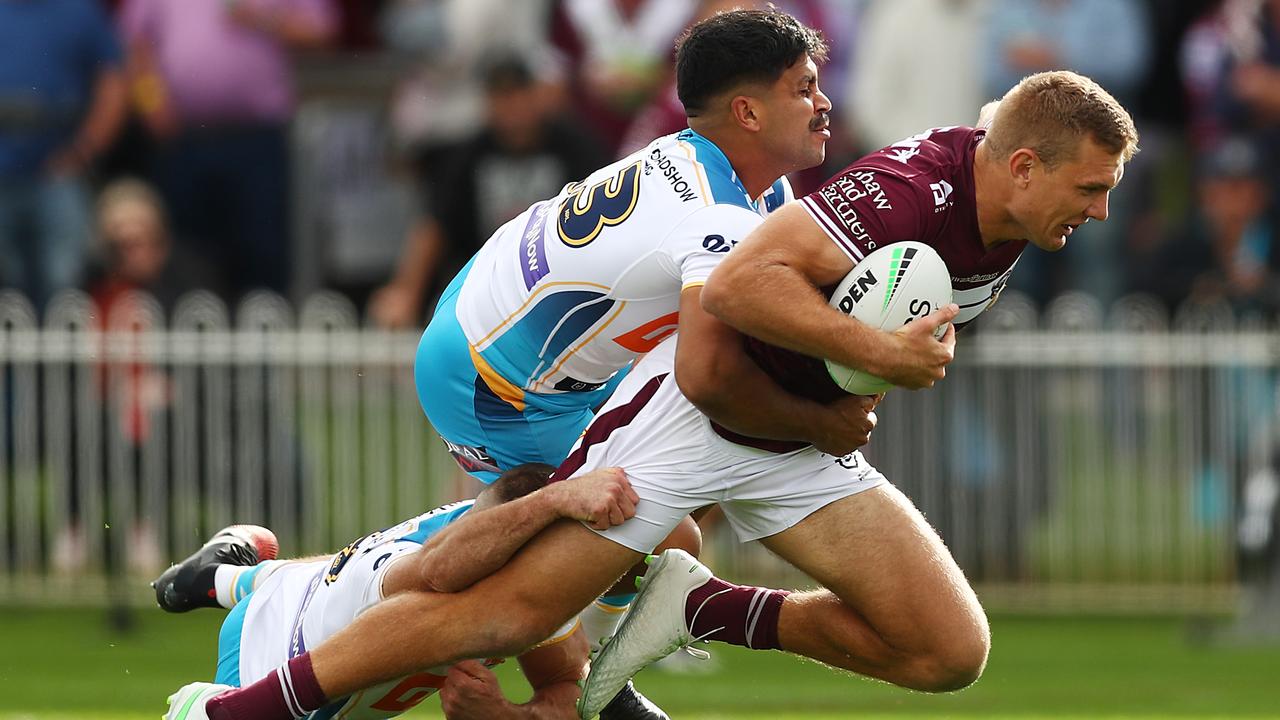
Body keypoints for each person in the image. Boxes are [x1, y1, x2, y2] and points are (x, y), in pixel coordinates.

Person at [160, 11, 997, 720]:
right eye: (804, 88)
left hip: (500, 331)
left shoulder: (735, 177)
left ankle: (243, 582)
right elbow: (710, 377)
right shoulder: (718, 214)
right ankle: (234, 700)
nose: (824, 105)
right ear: (746, 109)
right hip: (495, 378)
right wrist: (842, 398)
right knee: (509, 568)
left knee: (620, 535)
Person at [575, 68, 1140, 713]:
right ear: (1022, 166)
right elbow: (736, 285)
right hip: (701, 415)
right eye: (1091, 188)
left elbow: (1001, 118)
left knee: (949, 651)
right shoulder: (912, 195)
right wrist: (883, 358)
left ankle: (695, 608)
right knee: (497, 612)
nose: (1101, 211)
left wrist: (844, 405)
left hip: (799, 444)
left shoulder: (1008, 193)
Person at [161, 464, 642, 720]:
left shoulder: (530, 561)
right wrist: (555, 498)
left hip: (306, 589)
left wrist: (506, 717)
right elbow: (436, 570)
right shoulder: (415, 570)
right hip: (265, 639)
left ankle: (222, 576)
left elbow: (567, 694)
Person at [0, 0, 127, 312]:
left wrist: (83, 150)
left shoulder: (79, 12)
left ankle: (62, 363)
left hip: (59, 173)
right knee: (7, 288)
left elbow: (113, 82)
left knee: (62, 283)